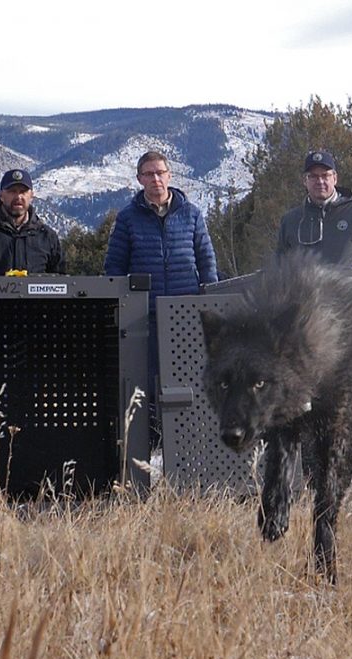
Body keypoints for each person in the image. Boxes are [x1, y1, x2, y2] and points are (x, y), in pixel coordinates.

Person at [104, 150, 218, 446]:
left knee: (191, 379)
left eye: (160, 172)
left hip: (187, 313)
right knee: (150, 380)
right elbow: (114, 268)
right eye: (148, 174)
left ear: (169, 175)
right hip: (147, 315)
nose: (155, 179)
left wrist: (209, 300)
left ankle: (191, 441)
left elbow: (206, 260)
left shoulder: (191, 213)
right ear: (139, 179)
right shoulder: (128, 219)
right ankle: (152, 444)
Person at [275, 149, 352, 266]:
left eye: (325, 175)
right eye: (313, 176)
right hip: (304, 285)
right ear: (305, 181)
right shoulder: (290, 221)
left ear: (335, 178)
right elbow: (279, 269)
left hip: (349, 284)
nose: (320, 181)